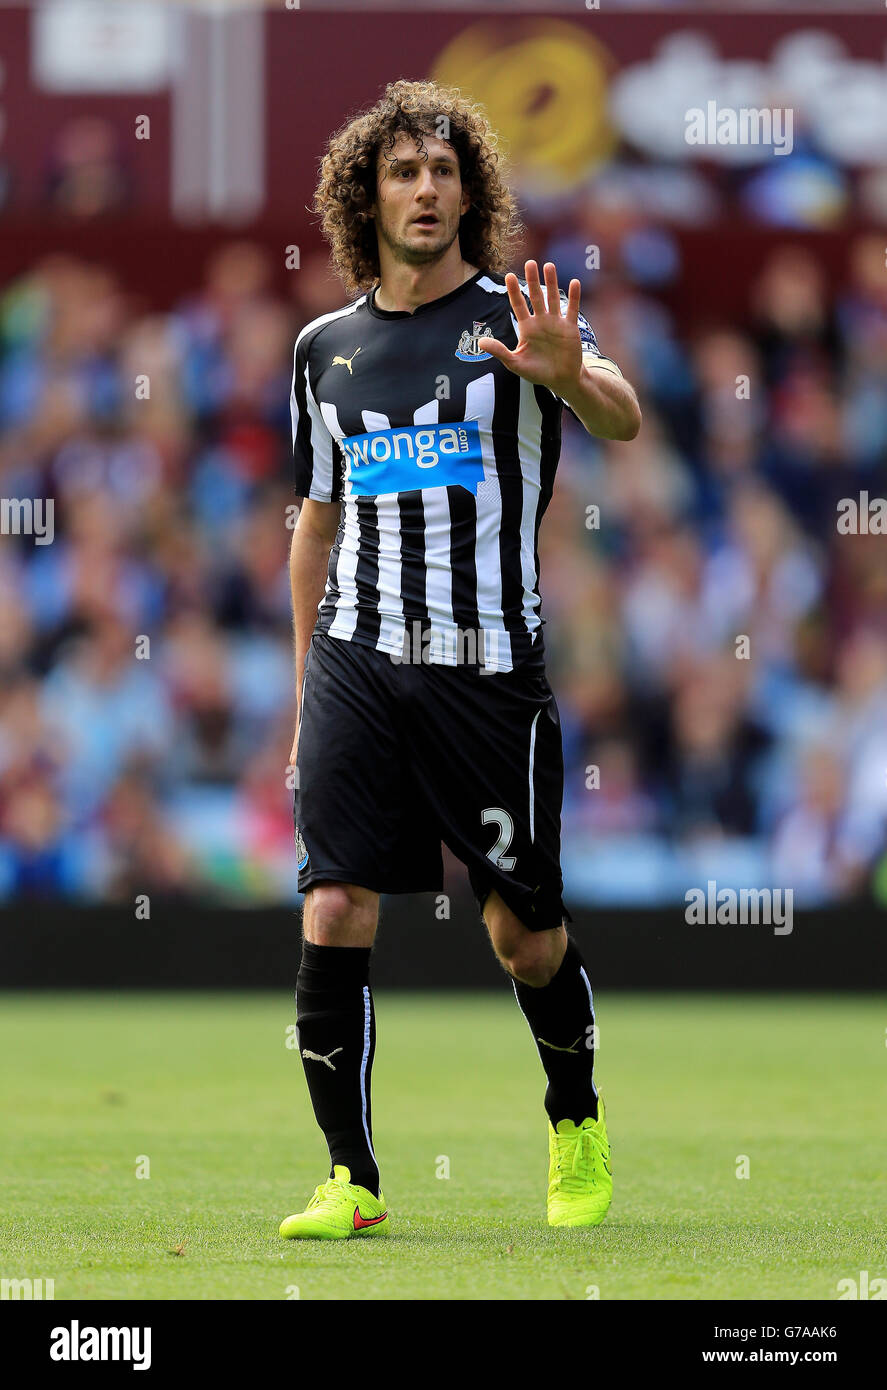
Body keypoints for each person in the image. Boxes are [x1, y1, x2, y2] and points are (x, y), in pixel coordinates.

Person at [279, 79, 641, 1241]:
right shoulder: (321, 349)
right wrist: (302, 696)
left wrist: (567, 374)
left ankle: (573, 1118)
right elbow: (315, 526)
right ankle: (352, 1179)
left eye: (442, 171)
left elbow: (623, 416)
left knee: (520, 940)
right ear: (365, 197)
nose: (424, 189)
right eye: (401, 172)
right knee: (333, 904)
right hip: (354, 660)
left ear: (469, 191)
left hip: (485, 672)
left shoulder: (515, 318)